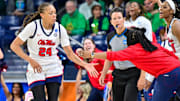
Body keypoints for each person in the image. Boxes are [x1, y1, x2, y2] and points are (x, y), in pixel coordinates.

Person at [10, 2, 98, 101]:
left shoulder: (60, 29)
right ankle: (31, 98)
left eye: (55, 13)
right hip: (36, 67)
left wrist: (85, 65)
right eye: (50, 13)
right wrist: (30, 60)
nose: (54, 15)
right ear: (42, 15)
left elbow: (70, 53)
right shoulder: (33, 27)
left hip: (53, 67)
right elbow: (14, 45)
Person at [79, 27, 180, 101]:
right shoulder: (150, 44)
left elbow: (111, 55)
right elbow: (170, 54)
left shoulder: (132, 50)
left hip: (167, 74)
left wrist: (91, 54)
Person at [96, 7, 143, 101]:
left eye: (119, 18)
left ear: (124, 19)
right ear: (111, 21)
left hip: (133, 74)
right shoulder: (110, 37)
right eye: (114, 18)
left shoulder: (133, 35)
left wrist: (143, 76)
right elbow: (109, 58)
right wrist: (103, 74)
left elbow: (142, 57)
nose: (117, 21)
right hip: (118, 75)